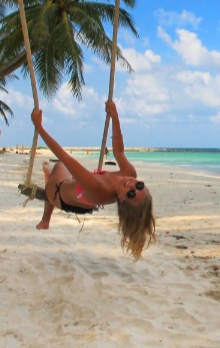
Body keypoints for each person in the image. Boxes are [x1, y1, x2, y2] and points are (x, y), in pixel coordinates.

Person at [30, 101, 155, 260]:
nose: (132, 185)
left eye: (131, 194)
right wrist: (115, 117)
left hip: (58, 193)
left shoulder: (97, 187)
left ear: (122, 200)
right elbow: (119, 151)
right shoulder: (130, 173)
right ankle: (46, 217)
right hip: (79, 196)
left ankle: (46, 210)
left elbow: (64, 156)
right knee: (71, 175)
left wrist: (39, 127)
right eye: (139, 185)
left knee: (60, 166)